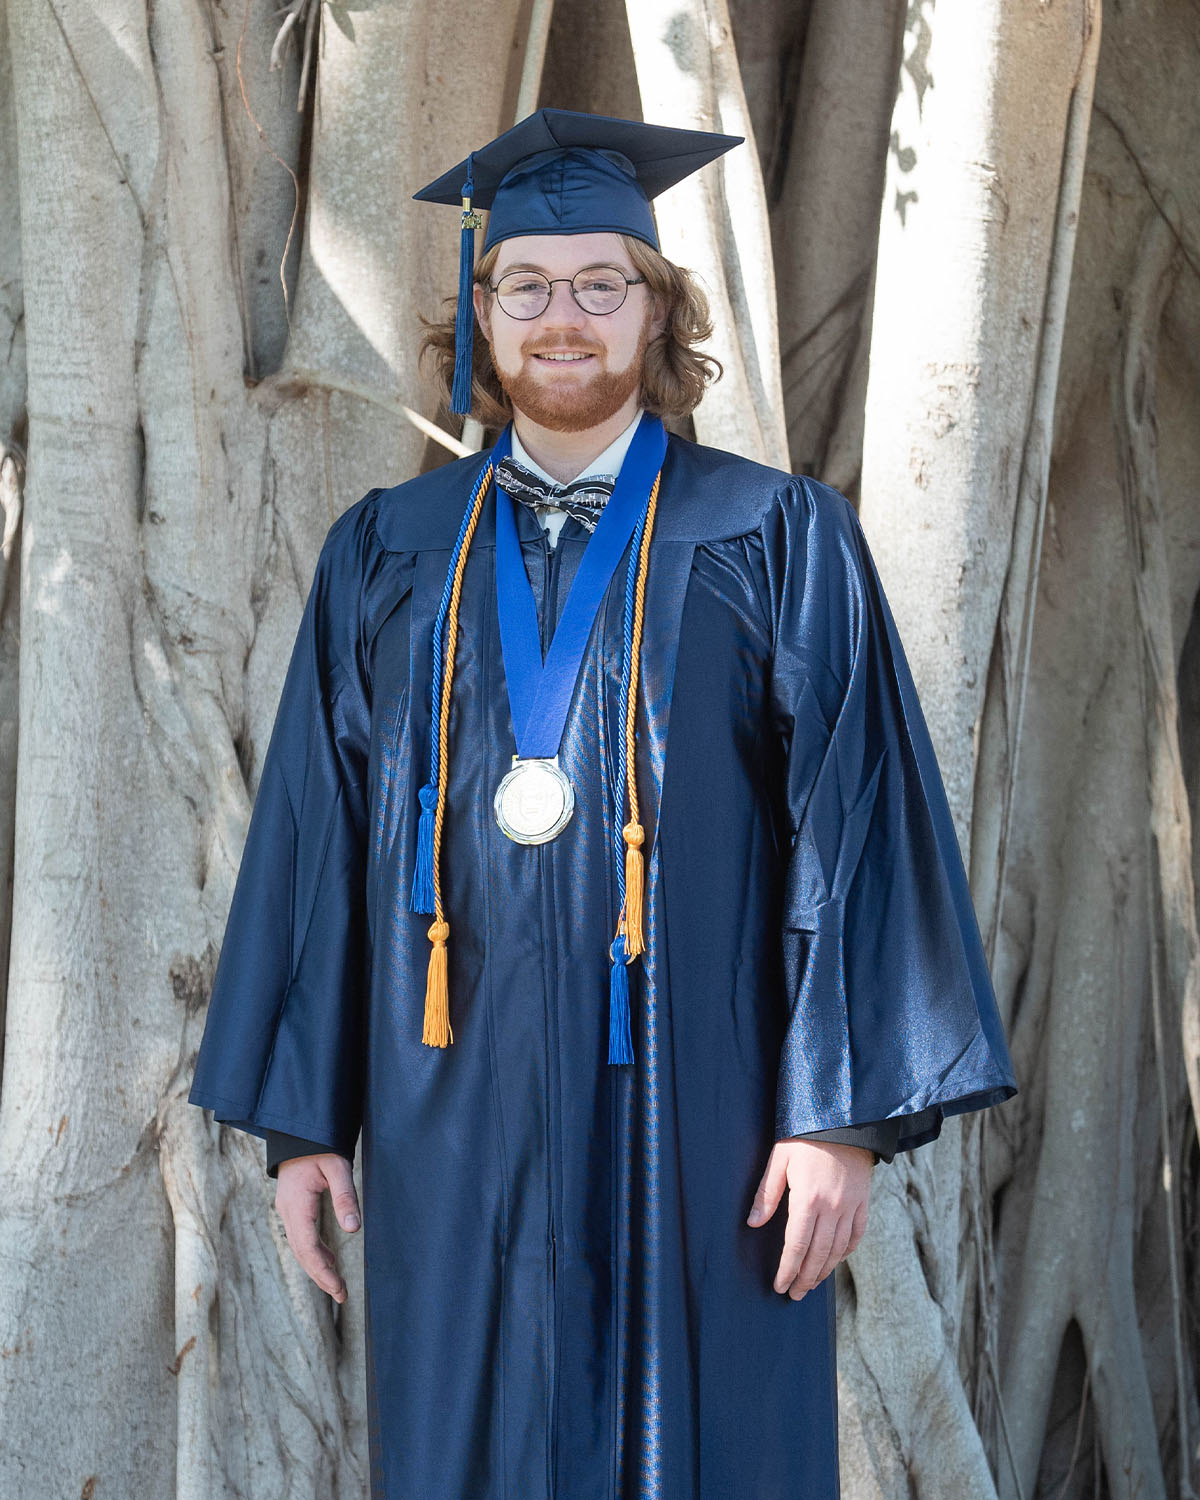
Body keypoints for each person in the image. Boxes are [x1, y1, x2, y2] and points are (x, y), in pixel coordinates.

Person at [188, 108, 1017, 1500]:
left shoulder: (775, 535)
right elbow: (315, 840)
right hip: (448, 1100)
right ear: (481, 311)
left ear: (658, 309)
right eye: (526, 286)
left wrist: (838, 1119)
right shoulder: (389, 552)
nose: (560, 318)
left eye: (598, 286)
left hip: (703, 1109)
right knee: (466, 1436)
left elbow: (853, 823)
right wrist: (304, 1122)